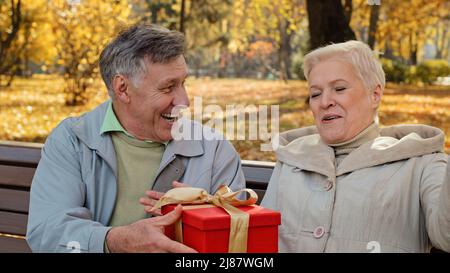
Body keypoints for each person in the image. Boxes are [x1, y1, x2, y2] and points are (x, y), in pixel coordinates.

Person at [26, 24, 245, 253]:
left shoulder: (216, 151)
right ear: (123, 89)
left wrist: (204, 220)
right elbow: (47, 232)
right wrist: (117, 241)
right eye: (168, 87)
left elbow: (240, 247)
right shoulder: (72, 141)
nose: (184, 101)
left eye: (183, 84)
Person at [261, 40, 450, 253]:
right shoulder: (291, 158)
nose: (325, 102)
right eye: (315, 94)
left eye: (339, 88)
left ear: (375, 95)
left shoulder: (422, 162)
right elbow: (260, 243)